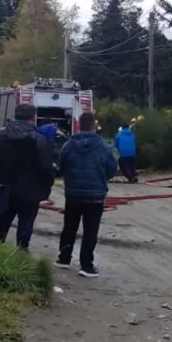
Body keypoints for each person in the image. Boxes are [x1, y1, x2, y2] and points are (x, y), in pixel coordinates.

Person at [0, 103, 55, 251]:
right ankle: (21, 253)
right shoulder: (38, 139)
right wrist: (47, 184)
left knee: (3, 217)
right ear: (33, 118)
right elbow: (45, 165)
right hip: (30, 188)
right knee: (26, 220)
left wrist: (2, 172)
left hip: (6, 184)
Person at [55, 112, 117, 278]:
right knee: (90, 230)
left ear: (79, 125)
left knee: (69, 226)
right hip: (95, 194)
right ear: (93, 126)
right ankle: (86, 265)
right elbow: (112, 168)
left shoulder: (69, 144)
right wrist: (102, 178)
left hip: (73, 192)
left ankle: (64, 258)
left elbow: (61, 164)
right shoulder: (103, 146)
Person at [114, 118, 138, 183]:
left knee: (122, 165)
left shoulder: (118, 135)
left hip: (123, 154)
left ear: (122, 127)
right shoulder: (132, 134)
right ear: (128, 127)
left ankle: (130, 178)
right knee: (131, 165)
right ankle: (134, 176)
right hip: (132, 153)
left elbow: (115, 145)